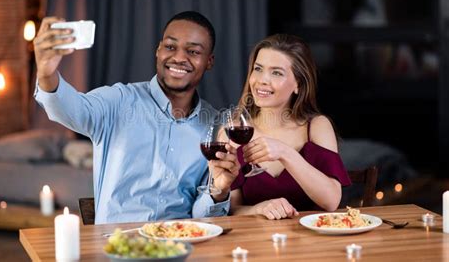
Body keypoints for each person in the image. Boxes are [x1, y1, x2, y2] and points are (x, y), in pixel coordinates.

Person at [33, 11, 239, 224]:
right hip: (116, 247)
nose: (179, 57)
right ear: (158, 51)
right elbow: (67, 109)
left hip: (182, 246)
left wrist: (218, 190)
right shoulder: (118, 101)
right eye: (170, 47)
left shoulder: (214, 126)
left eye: (193, 51)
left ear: (209, 61)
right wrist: (46, 74)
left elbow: (202, 219)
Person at [230, 34, 351, 220]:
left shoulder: (316, 127)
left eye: (276, 72)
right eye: (258, 69)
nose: (262, 80)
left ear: (299, 85)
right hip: (253, 244)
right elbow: (230, 209)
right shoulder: (233, 131)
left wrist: (285, 153)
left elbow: (331, 201)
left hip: (312, 241)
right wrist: (258, 209)